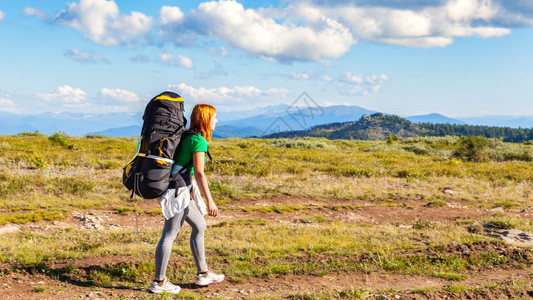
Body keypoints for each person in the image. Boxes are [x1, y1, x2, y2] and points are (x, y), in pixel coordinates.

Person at [149, 103, 224, 294]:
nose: (216, 121)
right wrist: (210, 201)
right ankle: (158, 282)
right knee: (169, 233)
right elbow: (199, 173)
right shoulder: (198, 141)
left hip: (181, 189)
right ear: (206, 119)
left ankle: (204, 273)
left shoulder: (188, 135)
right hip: (178, 191)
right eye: (214, 117)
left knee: (199, 226)